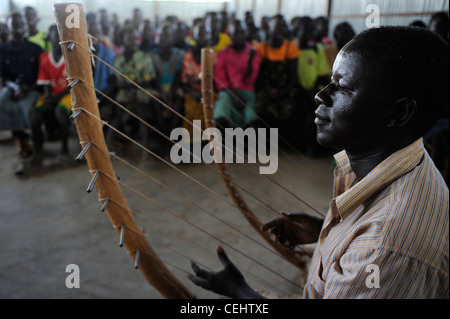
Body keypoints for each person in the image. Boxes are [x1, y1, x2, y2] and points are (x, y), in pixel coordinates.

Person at [189, 26, 449, 299]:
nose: (321, 95)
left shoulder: (382, 251)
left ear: (398, 113)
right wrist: (331, 233)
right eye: (330, 82)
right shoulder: (401, 160)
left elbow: (379, 245)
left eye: (343, 88)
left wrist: (243, 294)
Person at [24, 25, 71, 173]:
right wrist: (49, 96)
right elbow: (44, 82)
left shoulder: (71, 56)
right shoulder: (44, 57)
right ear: (50, 38)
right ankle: (38, 150)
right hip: (52, 94)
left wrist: (56, 98)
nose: (58, 38)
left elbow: (73, 85)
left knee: (60, 113)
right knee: (34, 114)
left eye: (61, 35)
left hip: (67, 94)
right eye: (55, 35)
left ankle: (65, 150)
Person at [0, 13, 42, 171]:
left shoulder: (35, 49)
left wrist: (26, 89)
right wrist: (15, 88)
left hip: (33, 88)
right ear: (8, 27)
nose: (18, 26)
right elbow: (4, 76)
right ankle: (20, 137)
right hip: (13, 87)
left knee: (24, 107)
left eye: (21, 23)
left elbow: (41, 77)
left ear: (25, 26)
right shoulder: (3, 50)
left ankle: (33, 142)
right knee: (2, 103)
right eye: (14, 23)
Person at [255, 14, 301, 142]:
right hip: (266, 88)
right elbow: (259, 76)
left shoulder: (290, 48)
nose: (281, 31)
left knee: (287, 109)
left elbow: (293, 75)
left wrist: (284, 91)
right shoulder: (261, 49)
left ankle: (282, 142)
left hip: (285, 88)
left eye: (283, 27)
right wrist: (268, 89)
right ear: (269, 30)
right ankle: (264, 141)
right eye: (277, 27)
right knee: (262, 107)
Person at [213, 19, 260, 129]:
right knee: (223, 103)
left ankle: (248, 142)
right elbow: (220, 78)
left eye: (242, 32)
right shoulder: (224, 52)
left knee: (250, 114)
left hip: (247, 91)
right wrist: (234, 96)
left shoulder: (253, 51)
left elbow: (251, 79)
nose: (240, 36)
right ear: (230, 35)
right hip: (228, 91)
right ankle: (222, 141)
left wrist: (249, 61)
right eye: (236, 33)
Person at [150, 22, 185, 155]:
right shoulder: (153, 56)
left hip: (174, 87)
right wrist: (162, 93)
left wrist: (170, 92)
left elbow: (178, 77)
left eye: (167, 36)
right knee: (156, 101)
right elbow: (155, 78)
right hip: (158, 88)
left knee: (177, 102)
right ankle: (164, 137)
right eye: (161, 36)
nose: (164, 39)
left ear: (173, 38)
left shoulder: (179, 54)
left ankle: (172, 140)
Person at [181, 22, 212, 141]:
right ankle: (191, 143)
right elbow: (184, 81)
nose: (203, 38)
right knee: (191, 110)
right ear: (193, 37)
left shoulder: (213, 56)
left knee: (208, 110)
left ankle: (208, 143)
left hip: (209, 91)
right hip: (192, 91)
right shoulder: (187, 56)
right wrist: (192, 92)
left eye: (206, 35)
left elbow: (215, 80)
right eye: (200, 35)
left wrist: (206, 91)